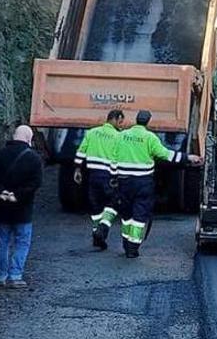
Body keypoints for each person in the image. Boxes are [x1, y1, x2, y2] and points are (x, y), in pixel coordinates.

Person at [115, 110, 202, 258]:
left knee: (126, 215)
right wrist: (188, 158)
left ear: (136, 120)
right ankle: (132, 248)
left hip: (124, 181)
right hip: (143, 182)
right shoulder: (150, 138)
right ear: (148, 121)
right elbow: (166, 155)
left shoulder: (122, 136)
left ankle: (125, 242)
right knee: (140, 215)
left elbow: (112, 155)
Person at [0, 125, 44, 288]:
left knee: (2, 242)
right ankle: (15, 275)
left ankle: (0, 276)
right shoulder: (34, 159)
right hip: (22, 208)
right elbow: (35, 183)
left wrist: (1, 192)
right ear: (28, 139)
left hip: (1, 207)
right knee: (22, 242)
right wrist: (17, 195)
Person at [74, 110, 124, 250]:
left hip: (92, 175)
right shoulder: (118, 136)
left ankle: (97, 235)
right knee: (113, 203)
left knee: (95, 205)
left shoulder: (91, 133)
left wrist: (77, 170)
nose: (121, 125)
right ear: (115, 119)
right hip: (108, 176)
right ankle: (102, 228)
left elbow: (81, 151)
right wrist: (117, 176)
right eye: (121, 122)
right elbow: (118, 157)